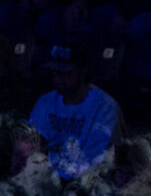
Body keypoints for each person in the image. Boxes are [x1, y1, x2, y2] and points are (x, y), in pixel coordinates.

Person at [29, 40, 123, 181]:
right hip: (45, 180)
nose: (58, 78)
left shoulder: (104, 107)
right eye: (55, 71)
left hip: (87, 184)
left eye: (66, 72)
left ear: (82, 70)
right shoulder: (45, 102)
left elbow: (97, 162)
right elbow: (31, 146)